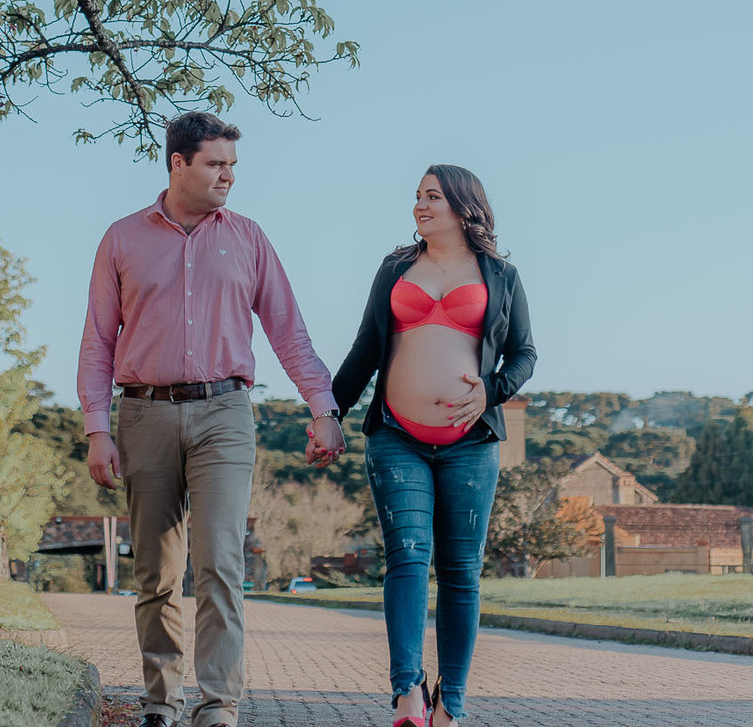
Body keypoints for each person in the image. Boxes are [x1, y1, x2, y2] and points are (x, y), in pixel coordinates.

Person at [79, 111, 346, 727]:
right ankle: (160, 702)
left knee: (220, 562)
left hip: (225, 412)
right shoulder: (122, 239)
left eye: (233, 165)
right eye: (216, 164)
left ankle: (219, 704)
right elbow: (97, 341)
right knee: (156, 571)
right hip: (144, 413)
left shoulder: (248, 238)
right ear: (179, 163)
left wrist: (324, 409)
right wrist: (97, 428)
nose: (228, 175)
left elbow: (289, 333)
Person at [332, 165, 536, 727]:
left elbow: (524, 352)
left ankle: (452, 702)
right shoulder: (396, 268)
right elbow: (366, 348)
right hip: (396, 437)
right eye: (418, 196)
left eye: (433, 197)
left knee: (461, 572)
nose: (420, 205)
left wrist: (492, 390)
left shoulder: (501, 274)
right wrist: (329, 414)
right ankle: (407, 692)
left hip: (471, 443)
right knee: (407, 556)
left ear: (464, 207)